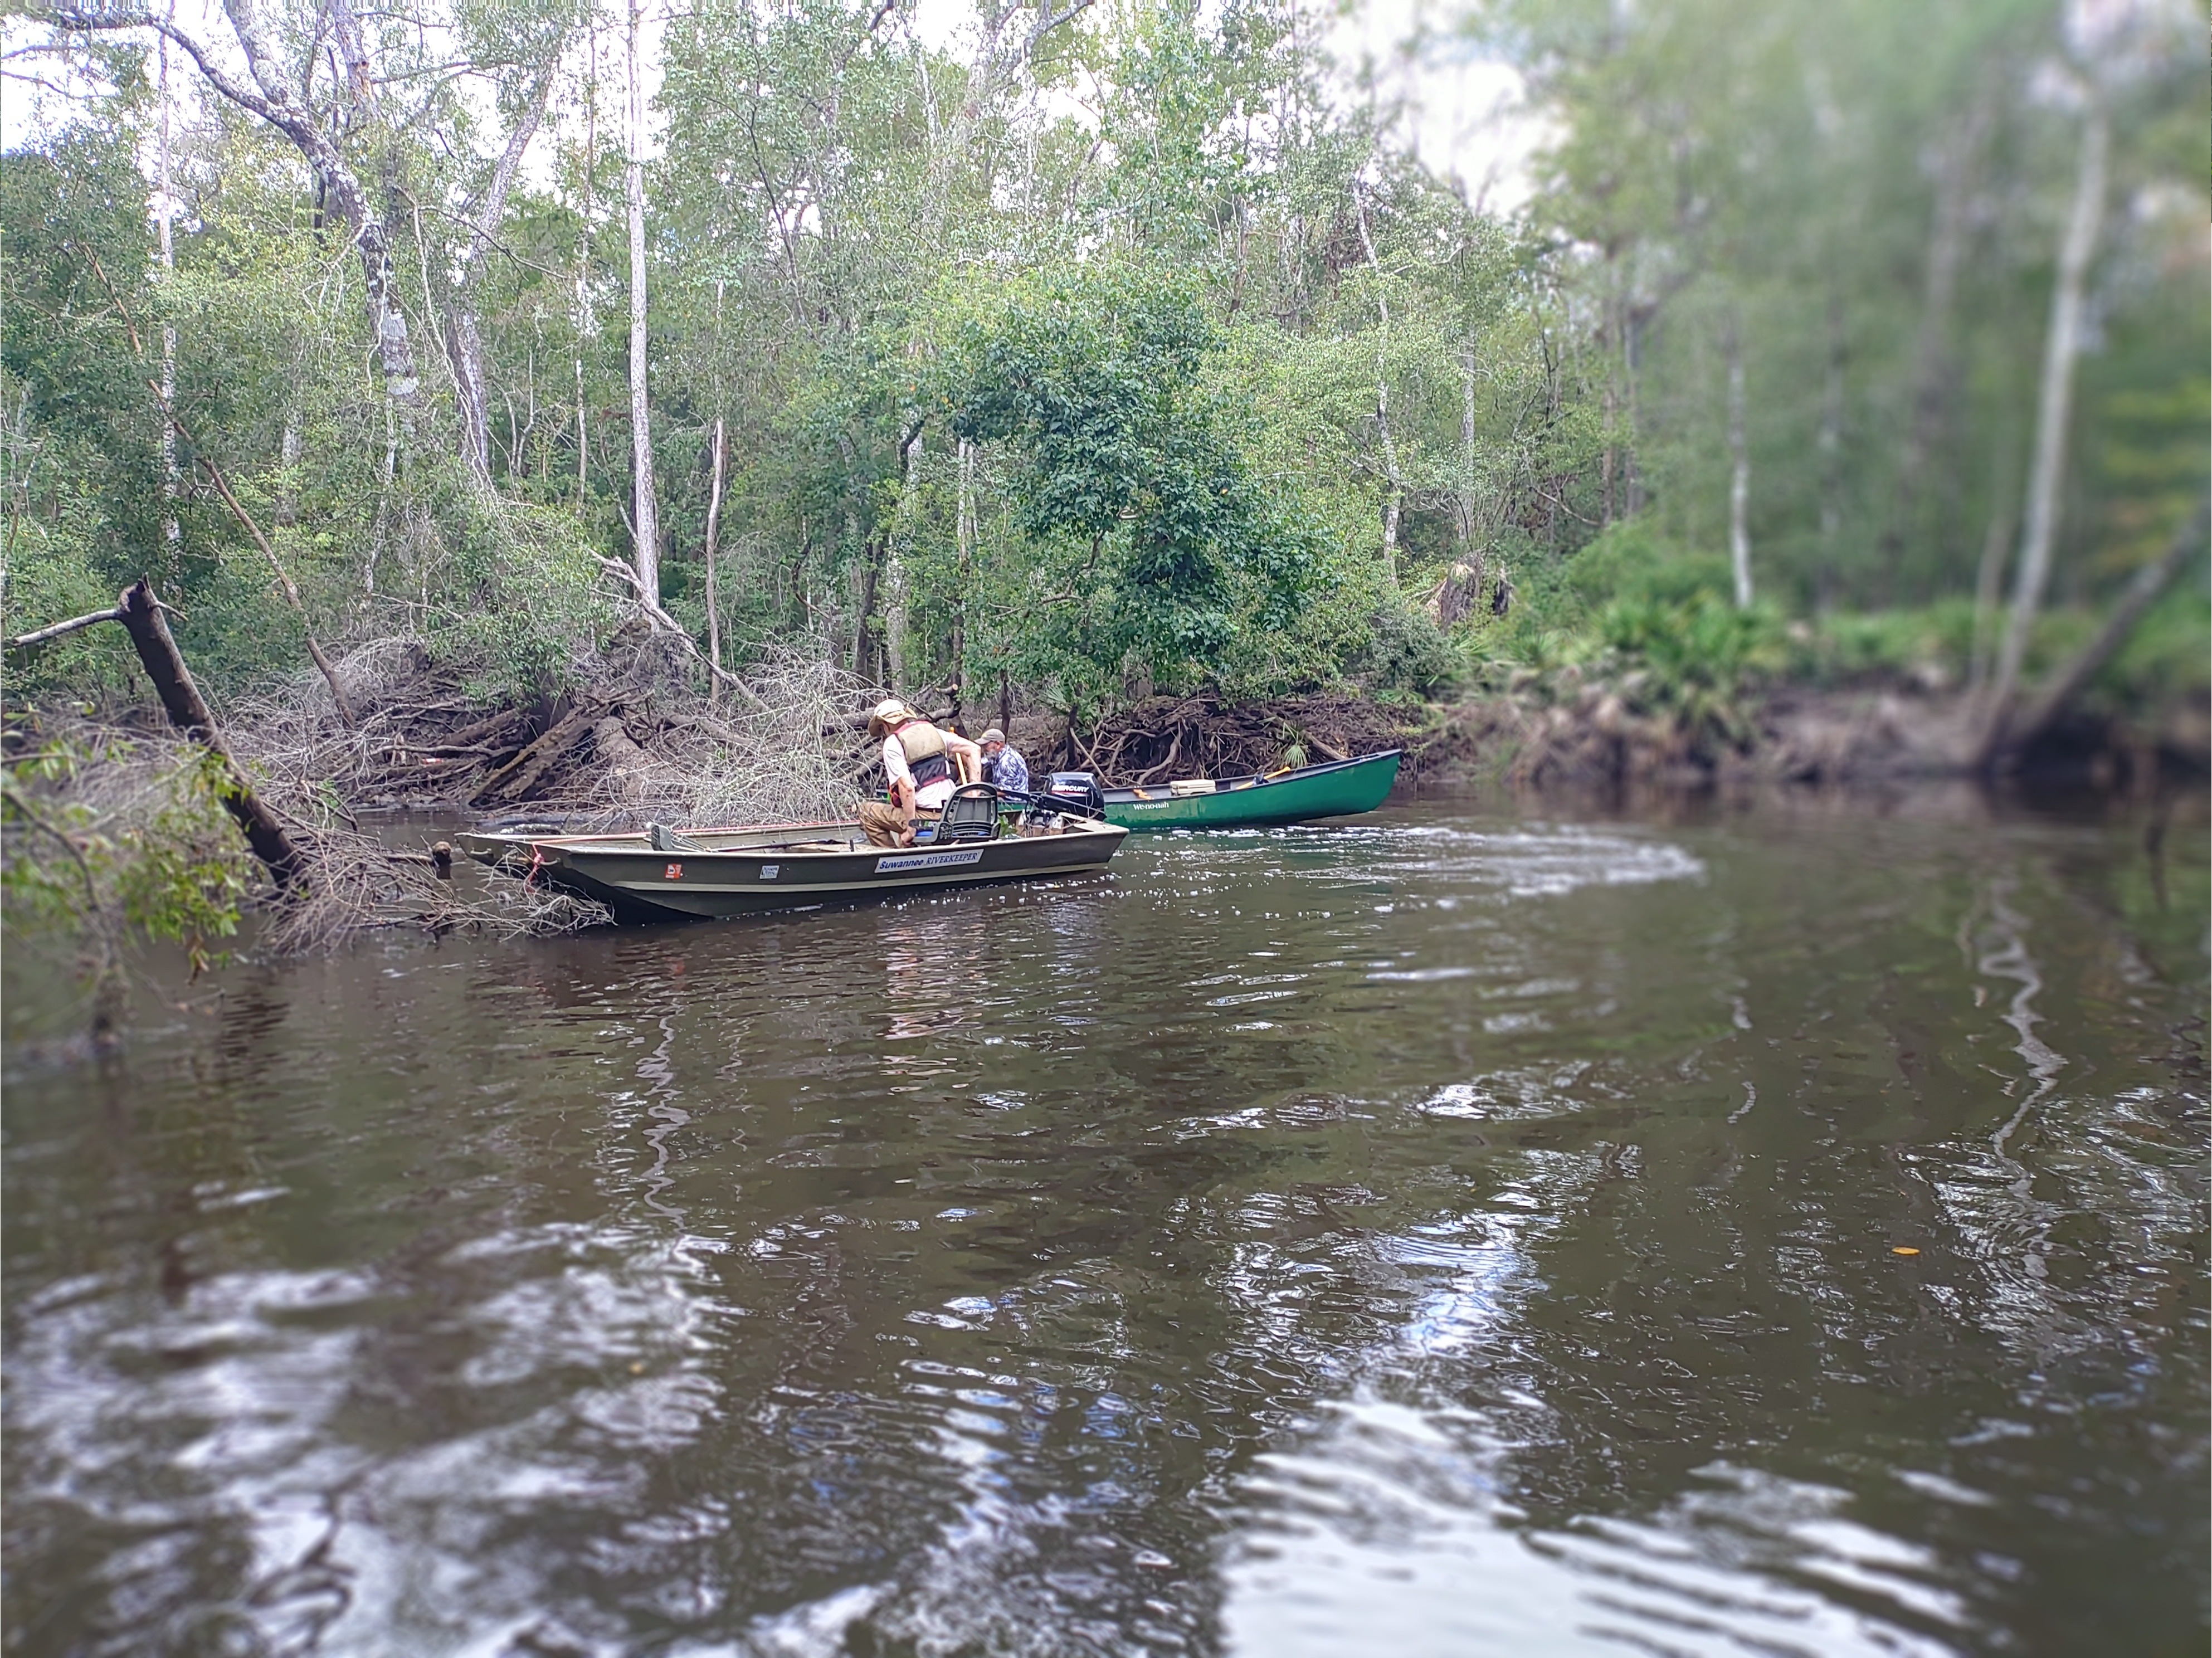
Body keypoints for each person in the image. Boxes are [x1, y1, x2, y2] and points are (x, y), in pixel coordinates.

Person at [858, 699, 982, 847]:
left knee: (866, 812)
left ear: (885, 726)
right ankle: (909, 850)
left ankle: (892, 857)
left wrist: (911, 828)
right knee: (903, 810)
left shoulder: (893, 743)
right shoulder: (935, 733)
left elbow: (907, 788)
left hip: (927, 818)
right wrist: (974, 792)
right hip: (953, 813)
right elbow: (974, 749)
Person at [979, 728, 1029, 796]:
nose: (983, 750)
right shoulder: (995, 756)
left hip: (1014, 803)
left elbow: (1006, 792)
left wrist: (982, 792)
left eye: (986, 746)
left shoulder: (1008, 762)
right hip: (1003, 798)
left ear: (998, 744)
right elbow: (981, 761)